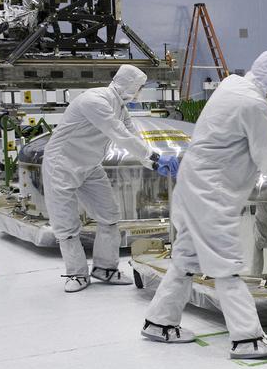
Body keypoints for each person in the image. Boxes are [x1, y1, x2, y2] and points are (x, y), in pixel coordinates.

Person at [141, 51, 267, 359]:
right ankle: (248, 339)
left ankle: (159, 322)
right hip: (211, 194)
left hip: (193, 186)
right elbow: (264, 151)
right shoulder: (254, 103)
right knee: (227, 265)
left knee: (186, 260)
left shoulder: (232, 86)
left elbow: (250, 139)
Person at [42, 64, 177, 293]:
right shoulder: (94, 100)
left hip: (90, 165)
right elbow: (118, 133)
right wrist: (152, 157)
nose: (139, 93)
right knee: (66, 224)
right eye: (139, 88)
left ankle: (105, 269)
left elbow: (132, 133)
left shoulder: (120, 106)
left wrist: (154, 161)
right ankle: (76, 273)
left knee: (110, 215)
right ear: (129, 85)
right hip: (62, 164)